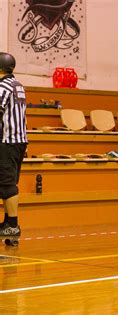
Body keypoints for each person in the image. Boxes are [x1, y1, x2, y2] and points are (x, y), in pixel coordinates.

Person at [0, 52, 27, 246]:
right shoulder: (18, 85)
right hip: (18, 141)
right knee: (6, 182)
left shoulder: (2, 86)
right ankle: (8, 224)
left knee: (7, 183)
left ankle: (12, 226)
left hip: (6, 141)